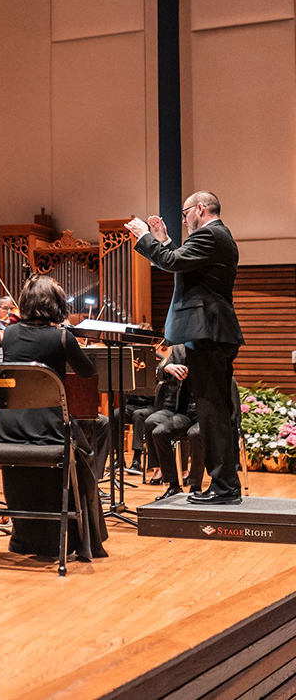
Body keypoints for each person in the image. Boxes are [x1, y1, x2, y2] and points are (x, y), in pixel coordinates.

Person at [127, 191, 244, 504]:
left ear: (200, 209)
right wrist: (164, 240)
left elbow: (171, 262)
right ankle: (226, 485)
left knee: (212, 411)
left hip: (209, 331)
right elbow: (182, 263)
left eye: (184, 213)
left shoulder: (210, 234)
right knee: (214, 409)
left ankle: (224, 487)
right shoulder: (216, 237)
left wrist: (144, 237)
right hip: (211, 331)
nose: (183, 220)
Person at [0, 274, 108, 559]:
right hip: (47, 430)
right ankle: (80, 538)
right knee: (85, 454)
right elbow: (87, 373)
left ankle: (25, 540)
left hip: (7, 428)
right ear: (54, 304)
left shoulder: (8, 335)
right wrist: (68, 339)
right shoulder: (63, 337)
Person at [142, 345, 201, 499]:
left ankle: (195, 486)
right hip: (183, 409)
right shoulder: (179, 349)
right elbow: (161, 373)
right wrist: (167, 368)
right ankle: (173, 485)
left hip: (204, 412)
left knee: (195, 434)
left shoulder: (210, 347)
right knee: (158, 431)